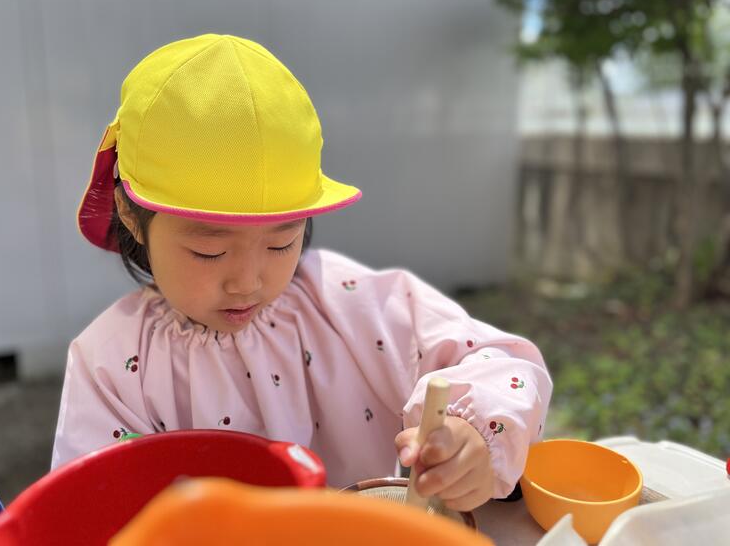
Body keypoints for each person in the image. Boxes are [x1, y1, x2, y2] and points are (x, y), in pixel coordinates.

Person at [52, 34, 552, 512]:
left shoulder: (346, 302)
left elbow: (501, 362)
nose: (248, 282)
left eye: (280, 243)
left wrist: (472, 434)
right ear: (130, 214)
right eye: (209, 250)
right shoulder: (112, 364)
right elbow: (91, 506)